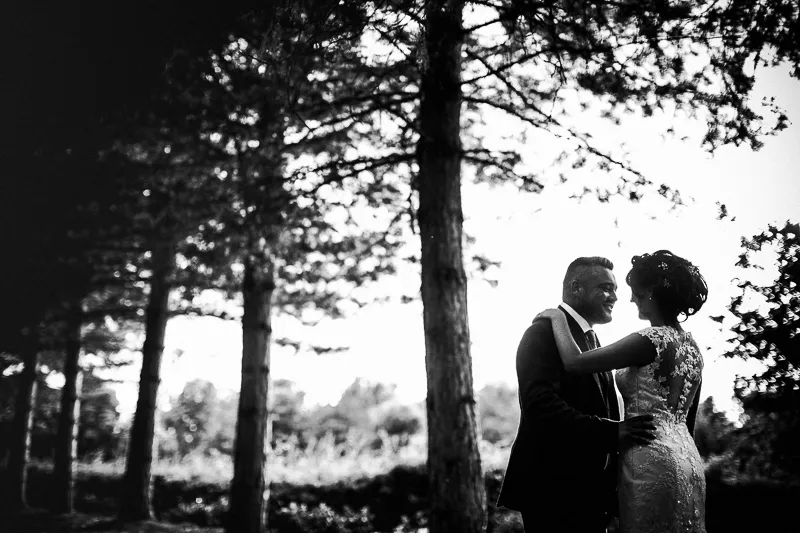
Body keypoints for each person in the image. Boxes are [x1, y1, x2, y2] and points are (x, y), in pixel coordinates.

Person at [535, 250, 707, 533]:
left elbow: (575, 362)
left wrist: (556, 318)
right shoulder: (694, 349)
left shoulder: (650, 339)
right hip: (687, 458)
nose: (629, 299)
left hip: (650, 457)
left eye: (635, 292)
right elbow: (688, 420)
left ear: (651, 292)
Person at [497, 256, 657, 533]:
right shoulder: (541, 333)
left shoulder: (591, 340)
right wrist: (612, 432)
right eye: (605, 288)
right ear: (575, 288)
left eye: (616, 289)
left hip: (590, 492)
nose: (615, 297)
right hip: (553, 489)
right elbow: (541, 406)